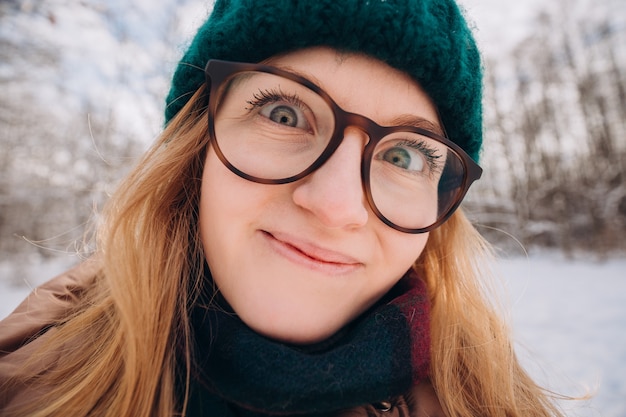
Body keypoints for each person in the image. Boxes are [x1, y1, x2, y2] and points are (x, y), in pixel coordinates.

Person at [0, 0, 566, 416]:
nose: (335, 205)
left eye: (406, 156)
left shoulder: (492, 404)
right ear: (196, 148)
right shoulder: (26, 385)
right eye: (284, 114)